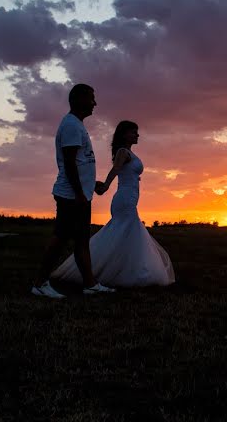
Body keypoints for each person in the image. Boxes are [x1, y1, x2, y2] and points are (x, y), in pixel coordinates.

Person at [50, 120, 175, 287]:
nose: (137, 135)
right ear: (124, 134)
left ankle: (124, 269)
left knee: (125, 234)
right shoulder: (123, 152)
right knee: (127, 231)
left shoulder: (128, 153)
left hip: (129, 197)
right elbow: (116, 169)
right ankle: (120, 272)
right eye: (133, 132)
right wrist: (106, 186)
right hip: (124, 199)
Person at [32, 84, 115, 298]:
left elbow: (80, 161)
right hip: (71, 196)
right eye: (91, 98)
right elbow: (68, 163)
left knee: (81, 240)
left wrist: (90, 183)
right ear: (78, 99)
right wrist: (79, 192)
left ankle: (90, 284)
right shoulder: (71, 125)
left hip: (80, 194)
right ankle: (40, 283)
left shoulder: (76, 125)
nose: (95, 103)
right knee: (60, 238)